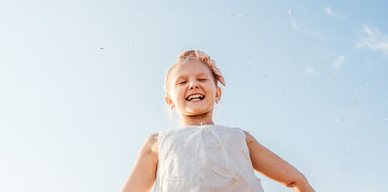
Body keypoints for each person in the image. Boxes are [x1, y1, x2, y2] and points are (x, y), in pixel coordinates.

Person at [121, 50, 315, 192]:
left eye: (202, 79)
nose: (193, 84)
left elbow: (296, 179)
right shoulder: (158, 143)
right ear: (169, 100)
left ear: (218, 93)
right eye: (182, 82)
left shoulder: (239, 138)